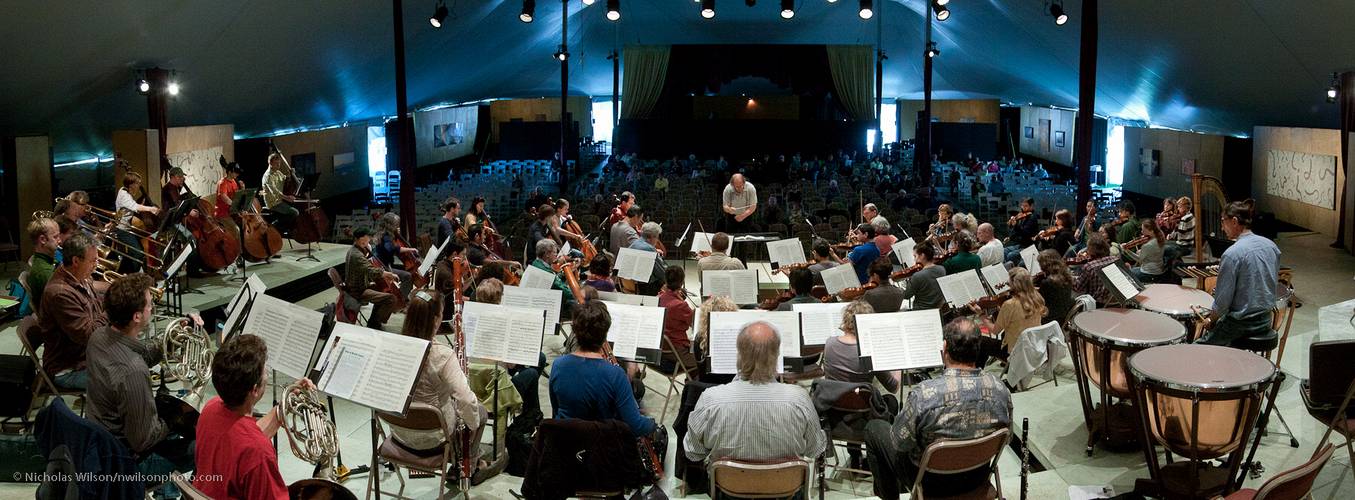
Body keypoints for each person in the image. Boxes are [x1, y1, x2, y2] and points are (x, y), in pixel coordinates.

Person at [864, 317, 1012, 499]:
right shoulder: (1000, 389)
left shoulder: (925, 394)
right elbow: (1007, 437)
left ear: (944, 348)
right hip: (977, 477)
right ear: (977, 348)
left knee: (874, 429)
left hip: (931, 484)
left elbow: (899, 443)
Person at [87, 273, 195, 479]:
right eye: (149, 304)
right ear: (137, 316)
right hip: (126, 460)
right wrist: (175, 416)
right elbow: (143, 441)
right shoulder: (133, 370)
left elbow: (142, 352)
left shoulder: (99, 336)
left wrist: (174, 336)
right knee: (204, 447)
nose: (152, 307)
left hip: (100, 439)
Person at [684, 321, 826, 467]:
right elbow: (815, 450)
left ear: (739, 355)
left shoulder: (710, 399)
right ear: (777, 355)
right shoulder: (799, 398)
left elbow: (693, 452)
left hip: (727, 486)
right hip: (786, 487)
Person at [193, 335, 304, 499]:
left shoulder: (211, 408)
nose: (267, 374)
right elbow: (251, 445)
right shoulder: (258, 452)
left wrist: (285, 403)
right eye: (265, 370)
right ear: (254, 390)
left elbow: (242, 438)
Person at [392, 289, 488, 473]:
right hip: (434, 439)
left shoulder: (394, 346)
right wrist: (471, 428)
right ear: (436, 319)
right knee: (479, 411)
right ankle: (466, 465)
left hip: (399, 433)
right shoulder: (442, 355)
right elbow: (467, 401)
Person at [549, 302, 657, 437]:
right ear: (605, 334)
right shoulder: (615, 375)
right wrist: (653, 424)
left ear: (574, 332)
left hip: (566, 440)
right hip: (601, 447)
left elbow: (556, 410)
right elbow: (635, 426)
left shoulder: (558, 365)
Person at [1198, 200, 1281, 347]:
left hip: (1241, 324)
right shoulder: (1271, 246)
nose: (1222, 228)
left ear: (1235, 221)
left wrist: (1211, 320)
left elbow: (1222, 303)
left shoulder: (1232, 254)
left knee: (1196, 350)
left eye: (1223, 221)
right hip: (1266, 319)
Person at [36, 232, 105, 390]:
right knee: (129, 374)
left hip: (86, 357)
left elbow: (96, 309)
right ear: (75, 261)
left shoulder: (81, 277)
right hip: (70, 369)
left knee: (135, 355)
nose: (97, 264)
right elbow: (88, 335)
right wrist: (114, 309)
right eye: (93, 260)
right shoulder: (60, 293)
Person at [970, 267, 1046, 367]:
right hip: (1034, 347)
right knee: (1003, 334)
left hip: (1015, 352)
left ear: (1014, 283)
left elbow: (995, 330)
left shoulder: (1010, 304)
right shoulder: (1037, 297)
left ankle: (978, 374)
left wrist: (981, 314)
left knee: (980, 341)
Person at [345, 228, 400, 331]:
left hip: (359, 284)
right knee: (391, 298)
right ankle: (374, 324)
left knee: (382, 290)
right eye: (363, 242)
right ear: (356, 239)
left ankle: (373, 320)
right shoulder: (356, 255)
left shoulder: (354, 249)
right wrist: (389, 274)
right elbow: (371, 270)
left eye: (367, 241)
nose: (366, 244)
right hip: (357, 290)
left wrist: (366, 249)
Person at [113, 171, 161, 272]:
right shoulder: (124, 195)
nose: (139, 185)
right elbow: (135, 207)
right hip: (122, 230)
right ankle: (134, 277)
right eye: (138, 183)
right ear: (131, 184)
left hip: (126, 228)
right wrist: (151, 209)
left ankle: (124, 274)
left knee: (131, 255)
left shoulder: (125, 191)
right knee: (138, 254)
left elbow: (131, 205)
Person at [657, 265, 698, 375]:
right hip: (676, 350)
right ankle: (691, 387)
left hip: (660, 347)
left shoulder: (658, 298)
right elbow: (696, 323)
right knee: (704, 360)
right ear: (682, 282)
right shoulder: (680, 306)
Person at [373, 213, 418, 298]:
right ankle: (400, 299)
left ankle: (402, 294)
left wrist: (395, 236)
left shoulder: (386, 234)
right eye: (396, 224)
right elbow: (392, 249)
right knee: (407, 276)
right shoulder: (386, 236)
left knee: (408, 271)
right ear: (390, 225)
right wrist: (411, 249)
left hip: (387, 264)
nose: (397, 226)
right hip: (384, 267)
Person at [23, 218, 61, 316]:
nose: (60, 241)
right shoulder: (44, 271)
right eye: (55, 237)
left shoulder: (48, 261)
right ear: (43, 240)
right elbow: (65, 300)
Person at [1074, 234, 1120, 306]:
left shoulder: (1089, 267)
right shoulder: (1116, 259)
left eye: (1088, 248)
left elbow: (1078, 288)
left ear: (1092, 250)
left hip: (1097, 304)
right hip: (1116, 301)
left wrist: (1070, 278)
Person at [530, 239, 578, 307]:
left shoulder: (536, 263)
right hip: (548, 303)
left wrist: (563, 273)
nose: (557, 255)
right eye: (555, 252)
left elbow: (554, 279)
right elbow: (565, 292)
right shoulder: (545, 271)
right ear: (547, 254)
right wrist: (578, 294)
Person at [901, 242, 947, 311]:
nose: (914, 259)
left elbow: (906, 295)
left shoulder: (917, 276)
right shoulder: (942, 269)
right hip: (938, 310)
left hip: (921, 311)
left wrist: (902, 287)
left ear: (922, 255)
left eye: (915, 256)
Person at [261, 151, 299, 231]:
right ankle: (273, 226)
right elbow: (274, 191)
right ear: (270, 163)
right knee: (295, 212)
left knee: (296, 208)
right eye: (276, 164)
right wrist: (287, 197)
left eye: (279, 164)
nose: (278, 166)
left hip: (280, 201)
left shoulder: (278, 172)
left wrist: (292, 174)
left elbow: (286, 179)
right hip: (273, 203)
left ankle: (283, 228)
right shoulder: (267, 176)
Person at [1035, 250, 1076, 324]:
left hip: (1050, 318)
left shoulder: (1047, 282)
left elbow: (1039, 301)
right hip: (1064, 313)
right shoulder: (1066, 275)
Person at [628, 222, 668, 294]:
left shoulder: (635, 243)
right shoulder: (649, 249)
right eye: (657, 237)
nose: (657, 240)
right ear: (652, 237)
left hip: (632, 283)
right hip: (645, 287)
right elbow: (662, 272)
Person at [1004, 198, 1039, 265]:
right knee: (1004, 251)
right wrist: (1010, 237)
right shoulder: (1022, 216)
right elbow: (1017, 231)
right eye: (1022, 206)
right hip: (1021, 244)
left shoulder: (1032, 218)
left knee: (1011, 255)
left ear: (1031, 206)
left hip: (1028, 246)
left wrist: (1016, 225)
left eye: (1026, 206)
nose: (1023, 208)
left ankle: (1015, 270)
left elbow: (1025, 233)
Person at [1165, 196, 1195, 262]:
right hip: (1189, 245)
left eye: (1179, 207)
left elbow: (1181, 232)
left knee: (1162, 248)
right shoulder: (1191, 216)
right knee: (1164, 243)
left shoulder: (1185, 218)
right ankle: (1174, 263)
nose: (1178, 209)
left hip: (1183, 246)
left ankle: (1167, 267)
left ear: (1185, 207)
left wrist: (1175, 226)